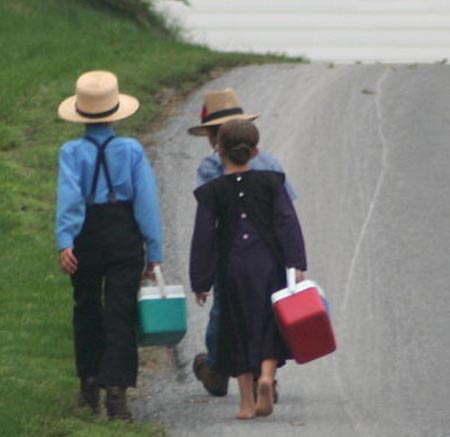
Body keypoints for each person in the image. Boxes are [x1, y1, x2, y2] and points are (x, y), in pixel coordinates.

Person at [55, 70, 163, 421]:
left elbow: (69, 198)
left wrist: (65, 241)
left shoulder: (71, 151)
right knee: (121, 312)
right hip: (123, 234)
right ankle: (117, 394)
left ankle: (88, 385)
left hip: (87, 233)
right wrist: (154, 250)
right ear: (115, 112)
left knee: (85, 306)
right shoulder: (130, 149)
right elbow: (146, 202)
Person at [189, 119, 307, 419]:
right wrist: (296, 264)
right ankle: (266, 378)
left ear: (218, 150)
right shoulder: (271, 182)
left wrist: (201, 279)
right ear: (255, 151)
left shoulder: (212, 190)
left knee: (234, 326)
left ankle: (244, 402)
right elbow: (286, 222)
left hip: (231, 267)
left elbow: (204, 235)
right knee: (268, 322)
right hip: (268, 263)